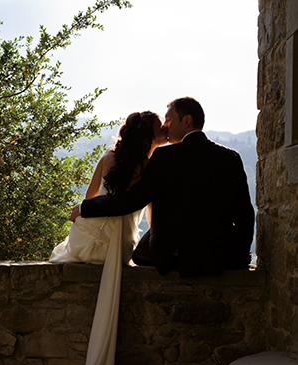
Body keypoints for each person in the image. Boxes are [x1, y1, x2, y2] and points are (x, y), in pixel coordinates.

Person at [35, 111, 167, 365]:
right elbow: (151, 217)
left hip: (89, 239)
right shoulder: (151, 167)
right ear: (148, 137)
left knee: (61, 250)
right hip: (118, 248)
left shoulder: (109, 158)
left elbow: (89, 199)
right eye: (160, 128)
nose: (165, 130)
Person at [72, 97, 255, 277]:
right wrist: (241, 255)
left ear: (186, 121)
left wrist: (85, 207)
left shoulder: (164, 157)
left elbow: (132, 200)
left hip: (175, 256)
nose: (165, 126)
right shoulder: (231, 157)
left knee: (141, 252)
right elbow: (245, 214)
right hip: (219, 255)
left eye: (168, 119)